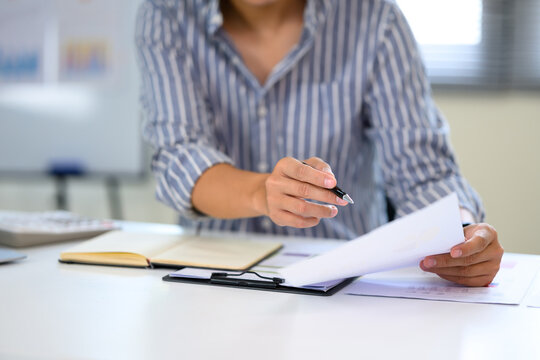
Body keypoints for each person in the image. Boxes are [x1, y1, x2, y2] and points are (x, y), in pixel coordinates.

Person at [136, 0, 503, 286]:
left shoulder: (375, 19)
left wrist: (462, 236)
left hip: (348, 283)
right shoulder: (167, 15)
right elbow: (179, 156)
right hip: (213, 278)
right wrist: (261, 193)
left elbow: (423, 173)